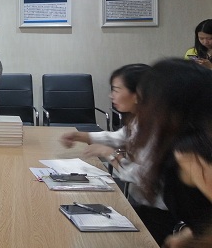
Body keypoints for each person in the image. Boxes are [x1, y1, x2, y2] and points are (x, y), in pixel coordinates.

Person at [59, 63, 174, 244]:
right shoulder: (141, 119)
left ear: (138, 94)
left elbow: (142, 174)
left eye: (116, 90)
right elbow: (119, 137)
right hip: (143, 203)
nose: (111, 95)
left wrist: (110, 154)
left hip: (161, 214)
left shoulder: (156, 127)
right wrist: (81, 136)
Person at [129, 59, 212, 246]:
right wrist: (190, 235)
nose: (137, 103)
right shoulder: (186, 142)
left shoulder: (192, 154)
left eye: (144, 99)